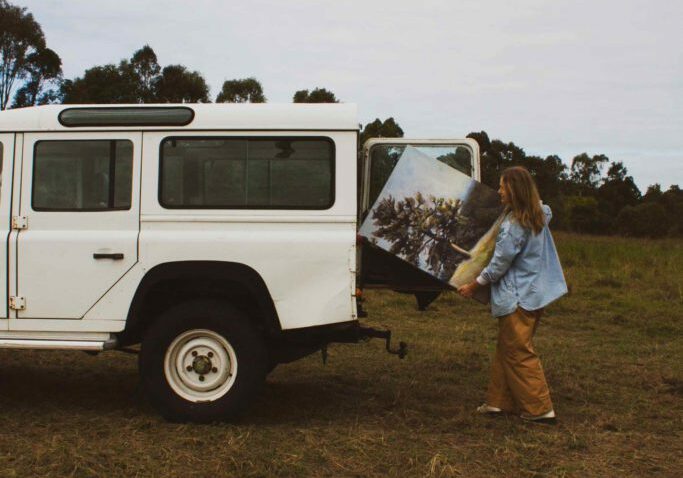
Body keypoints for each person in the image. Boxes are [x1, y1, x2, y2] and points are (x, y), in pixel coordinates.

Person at [458, 166, 567, 423]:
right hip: (534, 293)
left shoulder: (515, 224)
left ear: (514, 190)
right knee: (507, 348)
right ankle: (498, 402)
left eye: (502, 186)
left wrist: (474, 285)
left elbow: (498, 265)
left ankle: (540, 409)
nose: (499, 192)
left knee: (518, 350)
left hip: (517, 296)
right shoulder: (537, 215)